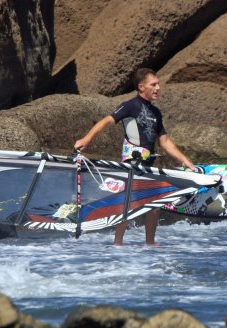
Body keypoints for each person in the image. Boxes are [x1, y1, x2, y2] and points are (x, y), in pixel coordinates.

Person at [74, 68, 197, 246]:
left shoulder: (156, 113)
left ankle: (150, 243)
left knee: (154, 206)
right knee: (127, 205)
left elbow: (165, 142)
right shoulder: (131, 105)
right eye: (153, 84)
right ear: (141, 87)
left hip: (148, 165)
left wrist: (186, 161)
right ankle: (117, 244)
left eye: (158, 84)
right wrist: (87, 139)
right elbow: (107, 120)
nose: (158, 88)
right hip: (132, 164)